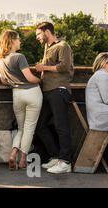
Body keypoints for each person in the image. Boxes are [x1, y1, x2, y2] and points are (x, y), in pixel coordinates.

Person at [0, 30, 42, 170]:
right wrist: (40, 80)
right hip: (32, 93)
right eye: (18, 39)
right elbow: (29, 77)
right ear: (12, 40)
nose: (20, 41)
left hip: (16, 94)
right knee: (29, 129)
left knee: (20, 128)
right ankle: (22, 160)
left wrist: (14, 81)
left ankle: (12, 154)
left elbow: (3, 81)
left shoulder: (0, 60)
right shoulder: (19, 57)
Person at [34, 22, 74, 174]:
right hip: (48, 91)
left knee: (61, 126)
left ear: (47, 32)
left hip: (59, 90)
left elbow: (64, 66)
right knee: (40, 126)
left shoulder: (63, 46)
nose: (37, 37)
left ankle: (66, 162)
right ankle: (56, 156)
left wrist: (43, 67)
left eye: (38, 34)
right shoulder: (48, 46)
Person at [85, 52, 108, 131]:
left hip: (99, 116)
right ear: (105, 63)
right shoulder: (102, 75)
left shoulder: (100, 74)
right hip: (102, 118)